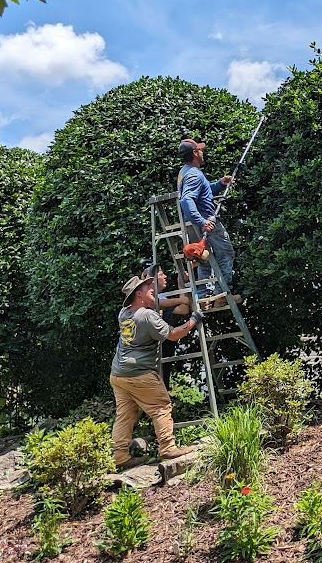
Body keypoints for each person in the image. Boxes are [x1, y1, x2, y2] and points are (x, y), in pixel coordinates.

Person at [110, 272, 199, 469]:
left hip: (118, 374)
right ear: (138, 294)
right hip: (139, 373)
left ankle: (120, 456)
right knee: (161, 407)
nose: (152, 289)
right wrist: (193, 320)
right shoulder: (147, 316)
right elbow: (174, 335)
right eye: (148, 287)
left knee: (125, 415)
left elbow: (158, 305)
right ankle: (168, 448)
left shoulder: (124, 313)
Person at [177, 138, 236, 305]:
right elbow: (187, 199)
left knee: (203, 258)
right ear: (195, 153)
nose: (202, 152)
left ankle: (204, 297)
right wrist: (202, 221)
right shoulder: (195, 173)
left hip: (192, 223)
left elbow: (203, 191)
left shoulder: (185, 172)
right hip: (205, 221)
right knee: (226, 253)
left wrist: (219, 184)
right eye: (200, 150)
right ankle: (221, 294)